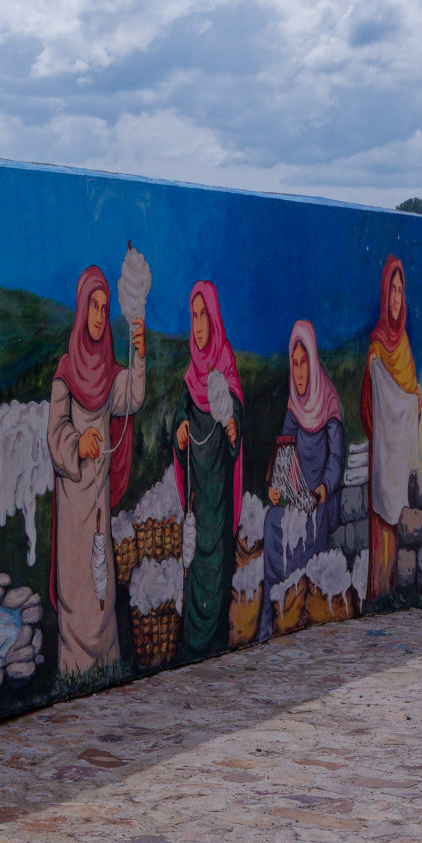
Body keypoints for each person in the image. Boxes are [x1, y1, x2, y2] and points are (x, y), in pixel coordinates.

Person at [47, 265, 146, 678]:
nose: (101, 315)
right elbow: (55, 436)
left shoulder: (109, 372)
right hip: (74, 508)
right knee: (77, 597)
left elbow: (134, 398)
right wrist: (77, 442)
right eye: (94, 305)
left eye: (106, 307)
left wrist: (138, 354)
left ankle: (105, 672)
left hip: (99, 507)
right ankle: (73, 680)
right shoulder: (66, 372)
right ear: (81, 309)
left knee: (102, 595)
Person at [172, 281, 243, 661]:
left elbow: (236, 411)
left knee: (216, 576)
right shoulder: (189, 378)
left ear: (214, 320)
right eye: (193, 316)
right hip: (197, 503)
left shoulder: (225, 370)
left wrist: (233, 427)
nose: (198, 324)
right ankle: (192, 647)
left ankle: (214, 644)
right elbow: (181, 415)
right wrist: (181, 429)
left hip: (219, 500)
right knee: (194, 571)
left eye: (204, 316)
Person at [261, 320, 344, 635]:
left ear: (313, 361)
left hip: (321, 498)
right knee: (273, 521)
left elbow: (336, 457)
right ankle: (272, 612)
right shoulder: (293, 408)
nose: (297, 371)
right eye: (293, 364)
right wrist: (277, 488)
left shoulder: (328, 402)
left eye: (303, 363)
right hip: (297, 497)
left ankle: (299, 611)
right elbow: (285, 452)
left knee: (312, 527)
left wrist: (323, 489)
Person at [359, 254, 420, 599]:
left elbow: (408, 396)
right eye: (392, 290)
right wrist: (375, 376)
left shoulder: (405, 346)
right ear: (384, 295)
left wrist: (415, 402)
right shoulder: (378, 343)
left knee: (398, 527)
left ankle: (394, 587)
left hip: (401, 461)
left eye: (401, 290)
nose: (396, 299)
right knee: (380, 525)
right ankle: (379, 589)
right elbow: (371, 406)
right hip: (383, 457)